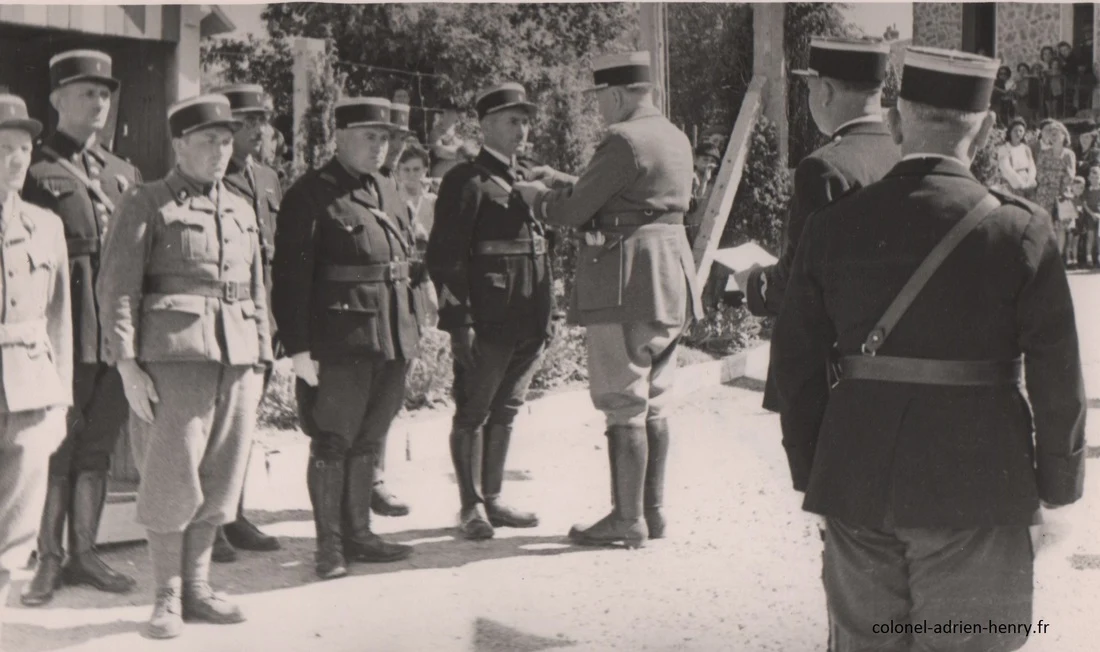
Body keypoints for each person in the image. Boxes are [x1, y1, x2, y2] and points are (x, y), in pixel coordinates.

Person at [772, 45, 1086, 652]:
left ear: (894, 120)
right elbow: (1058, 376)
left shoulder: (833, 226)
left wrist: (818, 471)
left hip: (857, 481)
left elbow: (794, 361)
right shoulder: (1020, 230)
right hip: (977, 484)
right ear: (989, 128)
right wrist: (1056, 484)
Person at [96, 95, 270, 639]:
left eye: (225, 141)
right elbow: (117, 288)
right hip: (173, 360)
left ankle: (198, 590)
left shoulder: (241, 207)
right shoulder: (146, 202)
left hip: (237, 358)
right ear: (179, 145)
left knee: (220, 479)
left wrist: (262, 356)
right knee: (171, 480)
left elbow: (256, 288)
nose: (220, 151)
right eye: (207, 141)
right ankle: (166, 597)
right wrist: (126, 364)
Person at [515, 52, 702, 548]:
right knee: (654, 399)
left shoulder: (622, 139)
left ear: (617, 94)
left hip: (625, 280)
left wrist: (535, 196)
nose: (599, 108)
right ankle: (652, 512)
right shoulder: (673, 136)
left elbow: (577, 211)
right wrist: (560, 178)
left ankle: (625, 519)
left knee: (622, 400)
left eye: (599, 98)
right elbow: (631, 195)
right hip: (669, 277)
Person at [272, 97, 418, 580]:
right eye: (368, 137)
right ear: (339, 137)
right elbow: (291, 278)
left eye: (383, 138)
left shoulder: (388, 190)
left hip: (392, 335)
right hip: (341, 339)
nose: (379, 147)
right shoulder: (311, 194)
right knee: (333, 441)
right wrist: (297, 349)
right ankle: (329, 546)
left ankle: (360, 534)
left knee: (369, 439)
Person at [20, 49, 141, 606]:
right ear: (57, 100)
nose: (98, 102)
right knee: (57, 446)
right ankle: (49, 557)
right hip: (61, 332)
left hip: (113, 333)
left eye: (103, 93)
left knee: (97, 446)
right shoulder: (36, 171)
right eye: (85, 92)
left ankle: (86, 553)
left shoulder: (123, 174)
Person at [736, 37, 901, 412]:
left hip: (834, 374)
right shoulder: (903, 150)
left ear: (825, 90)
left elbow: (799, 282)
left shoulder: (825, 166)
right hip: (893, 361)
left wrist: (753, 282)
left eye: (810, 86)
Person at [427, 82, 552, 540]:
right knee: (473, 411)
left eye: (524, 121)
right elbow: (444, 257)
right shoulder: (466, 180)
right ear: (485, 126)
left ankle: (495, 497)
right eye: (511, 121)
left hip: (528, 316)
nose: (521, 130)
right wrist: (459, 323)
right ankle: (470, 505)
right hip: (489, 320)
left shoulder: (527, 181)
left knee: (507, 410)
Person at [0, 93, 72, 647]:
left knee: (16, 526)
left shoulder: (47, 224)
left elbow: (59, 318)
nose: (16, 160)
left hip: (29, 386)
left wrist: (62, 399)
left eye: (23, 149)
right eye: (3, 149)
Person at [207, 83, 284, 563]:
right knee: (213, 422)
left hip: (263, 314)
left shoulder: (270, 178)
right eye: (246, 121)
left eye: (261, 120)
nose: (257, 128)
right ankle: (209, 522)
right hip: (225, 315)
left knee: (244, 423)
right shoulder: (210, 175)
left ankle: (235, 513)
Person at [1034, 118, 1076, 256]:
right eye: (1051, 133)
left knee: (1060, 228)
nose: (1054, 135)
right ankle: (1044, 258)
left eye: (1057, 133)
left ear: (1064, 135)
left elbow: (1070, 175)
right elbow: (1039, 174)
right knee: (1045, 226)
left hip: (1061, 195)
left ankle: (1057, 259)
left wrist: (1056, 182)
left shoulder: (1069, 154)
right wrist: (1055, 178)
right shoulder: (1043, 154)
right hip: (1044, 195)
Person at [685, 142, 721, 245]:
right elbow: (692, 207)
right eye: (705, 160)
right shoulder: (690, 178)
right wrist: (704, 181)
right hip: (688, 229)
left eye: (713, 161)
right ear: (695, 160)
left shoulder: (716, 183)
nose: (709, 164)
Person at [996, 116, 1037, 198]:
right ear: (1010, 132)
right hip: (1011, 183)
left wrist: (1030, 180)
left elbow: (1032, 166)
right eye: (1015, 130)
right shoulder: (1004, 149)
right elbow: (1006, 168)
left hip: (1027, 183)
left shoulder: (1026, 148)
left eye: (1021, 131)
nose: (1018, 133)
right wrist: (1020, 183)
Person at [1082, 165, 1100, 267]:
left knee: (1099, 237)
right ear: (1088, 178)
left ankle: (1099, 257)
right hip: (1090, 215)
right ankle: (1089, 258)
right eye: (1092, 177)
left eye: (1097, 177)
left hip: (1099, 216)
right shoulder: (1087, 190)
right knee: (1090, 237)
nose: (1095, 180)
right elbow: (1084, 205)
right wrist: (1092, 214)